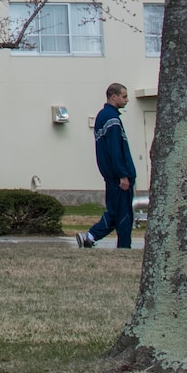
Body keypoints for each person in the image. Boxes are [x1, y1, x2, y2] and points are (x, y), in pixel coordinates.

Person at [78, 83, 136, 250]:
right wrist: (122, 174)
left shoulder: (102, 117)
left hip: (111, 175)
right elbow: (115, 150)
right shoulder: (112, 119)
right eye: (124, 96)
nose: (127, 100)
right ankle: (123, 248)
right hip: (119, 176)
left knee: (115, 211)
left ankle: (90, 237)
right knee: (123, 215)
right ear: (114, 96)